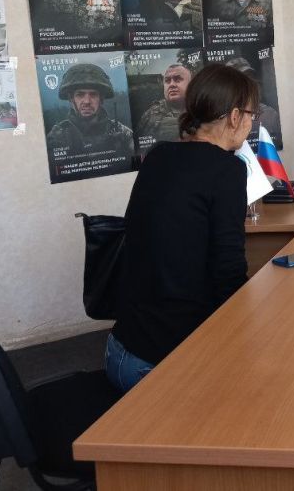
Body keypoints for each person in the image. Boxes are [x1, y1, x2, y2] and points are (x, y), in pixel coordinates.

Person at [106, 64, 258, 392]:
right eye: (250, 115)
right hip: (162, 366)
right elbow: (228, 273)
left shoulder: (159, 155)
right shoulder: (228, 171)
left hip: (120, 350)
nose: (251, 123)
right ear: (234, 117)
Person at [45, 63, 134, 161]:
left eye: (93, 94)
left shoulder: (120, 132)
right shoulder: (58, 136)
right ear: (71, 99)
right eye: (80, 94)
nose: (87, 101)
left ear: (101, 99)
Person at [223, 56, 282, 147]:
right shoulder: (221, 119)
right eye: (241, 80)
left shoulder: (269, 115)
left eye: (250, 77)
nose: (248, 83)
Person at [136, 62, 192, 145]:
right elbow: (138, 144)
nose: (172, 84)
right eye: (167, 81)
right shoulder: (150, 114)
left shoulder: (203, 110)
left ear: (191, 84)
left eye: (177, 79)